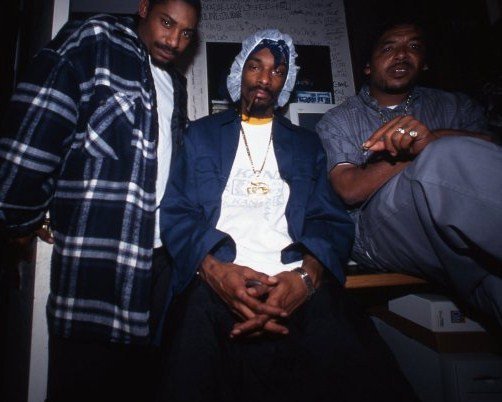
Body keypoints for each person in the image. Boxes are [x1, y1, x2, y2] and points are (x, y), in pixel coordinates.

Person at [158, 29, 417, 402]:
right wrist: (215, 273)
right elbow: (177, 212)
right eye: (255, 66)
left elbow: (330, 220)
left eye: (277, 71)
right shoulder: (199, 135)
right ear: (240, 71)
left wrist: (307, 279)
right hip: (216, 280)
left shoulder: (307, 144)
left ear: (287, 81)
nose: (265, 78)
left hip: (293, 280)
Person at [0, 0, 200, 401]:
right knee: (85, 382)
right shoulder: (95, 39)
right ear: (143, 8)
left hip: (160, 261)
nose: (174, 40)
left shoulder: (175, 84)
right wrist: (20, 216)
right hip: (99, 259)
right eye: (166, 23)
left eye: (186, 34)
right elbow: (37, 126)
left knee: (142, 383)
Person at [316, 20, 502, 326]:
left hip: (457, 236)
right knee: (444, 156)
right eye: (389, 48)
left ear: (425, 62)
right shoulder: (339, 120)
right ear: (367, 66)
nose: (401, 54)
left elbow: (491, 153)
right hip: (377, 230)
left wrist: (436, 136)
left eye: (413, 46)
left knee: (490, 280)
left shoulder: (456, 106)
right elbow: (348, 190)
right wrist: (417, 152)